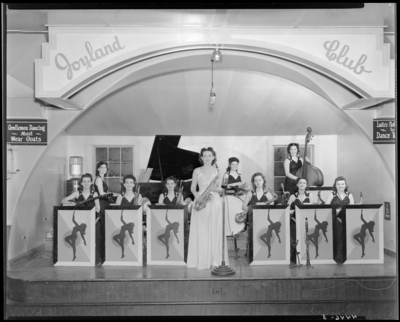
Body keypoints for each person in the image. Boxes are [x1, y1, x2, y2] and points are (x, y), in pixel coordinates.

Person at [187, 147, 228, 270]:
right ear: (201, 157)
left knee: (214, 228)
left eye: (209, 155)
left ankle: (214, 260)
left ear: (213, 157)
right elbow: (193, 188)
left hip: (214, 201)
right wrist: (198, 197)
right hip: (200, 200)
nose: (207, 158)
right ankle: (202, 260)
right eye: (205, 156)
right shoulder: (196, 170)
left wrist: (217, 190)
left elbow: (221, 189)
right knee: (202, 229)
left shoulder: (218, 171)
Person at [324, 176, 354, 264]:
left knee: (346, 239)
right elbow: (326, 207)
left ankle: (345, 258)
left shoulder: (350, 195)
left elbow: (352, 209)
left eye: (342, 184)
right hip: (334, 220)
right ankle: (336, 258)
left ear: (345, 185)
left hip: (346, 221)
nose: (340, 186)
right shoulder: (331, 195)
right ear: (335, 185)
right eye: (338, 184)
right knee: (336, 238)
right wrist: (335, 211)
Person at [287, 177, 314, 265]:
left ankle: (306, 259)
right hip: (295, 222)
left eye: (304, 183)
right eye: (300, 183)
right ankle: (294, 260)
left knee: (306, 240)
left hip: (306, 223)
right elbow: (287, 210)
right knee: (294, 240)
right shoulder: (292, 196)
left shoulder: (310, 196)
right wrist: (293, 211)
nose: (302, 184)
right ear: (297, 185)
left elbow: (312, 209)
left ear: (306, 185)